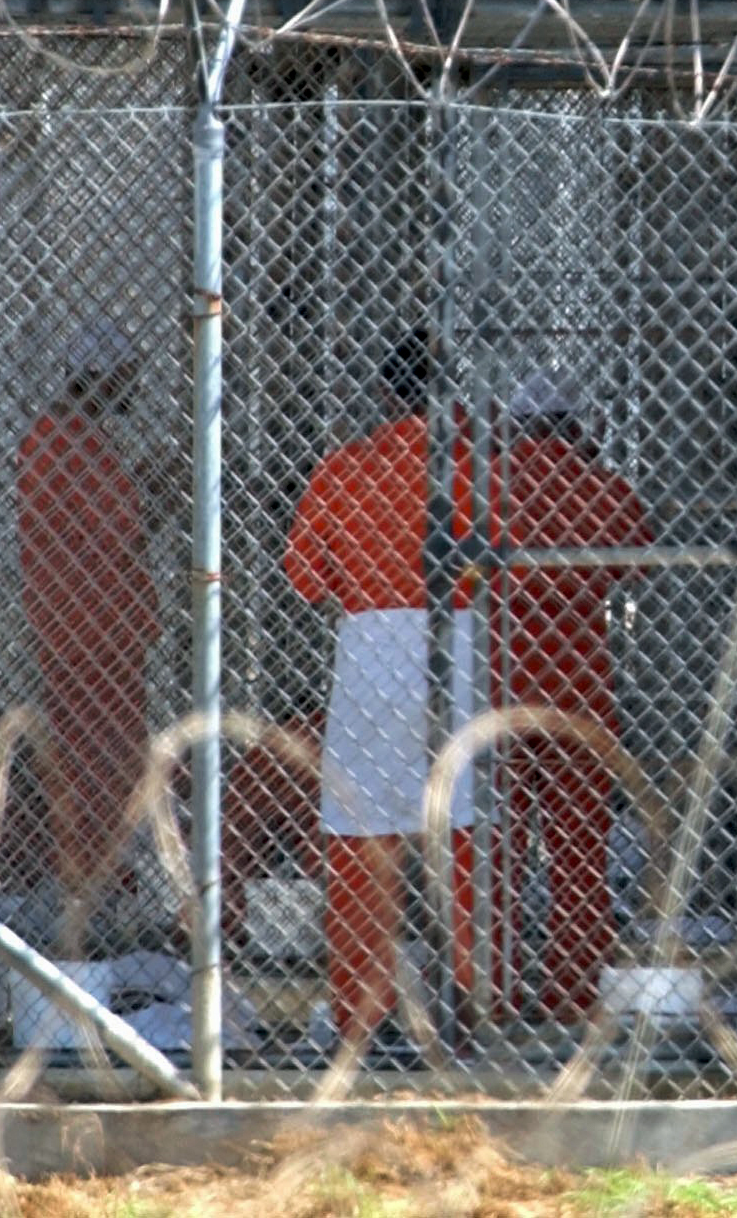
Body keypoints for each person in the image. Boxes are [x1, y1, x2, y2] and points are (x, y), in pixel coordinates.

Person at [283, 333, 479, 1067]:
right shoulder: (469, 467)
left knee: (363, 833)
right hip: (454, 643)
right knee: (454, 825)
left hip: (368, 651)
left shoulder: (344, 468)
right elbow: (502, 562)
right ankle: (460, 1008)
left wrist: (362, 581)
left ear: (384, 394)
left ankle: (358, 1013)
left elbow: (305, 575)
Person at [489, 369, 652, 1019]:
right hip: (577, 681)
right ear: (577, 426)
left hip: (498, 680)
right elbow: (636, 559)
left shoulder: (489, 481)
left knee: (496, 842)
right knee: (579, 845)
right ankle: (572, 991)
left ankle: (492, 991)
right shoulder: (600, 487)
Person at [17, 321, 159, 958]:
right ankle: (99, 901)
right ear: (101, 378)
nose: (134, 391)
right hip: (96, 640)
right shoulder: (75, 446)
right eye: (126, 378)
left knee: (90, 765)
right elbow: (121, 531)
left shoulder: (55, 442)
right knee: (106, 769)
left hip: (81, 635)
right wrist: (166, 481)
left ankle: (97, 893)